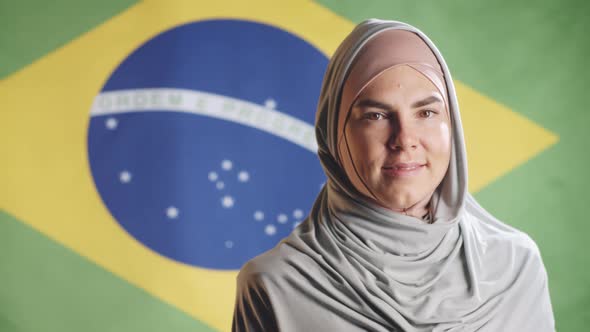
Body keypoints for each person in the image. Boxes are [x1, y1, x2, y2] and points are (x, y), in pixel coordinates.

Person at [232, 19, 555, 332]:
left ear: (452, 123)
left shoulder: (515, 267)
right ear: (334, 134)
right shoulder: (274, 286)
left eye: (426, 113)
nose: (404, 139)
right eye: (376, 115)